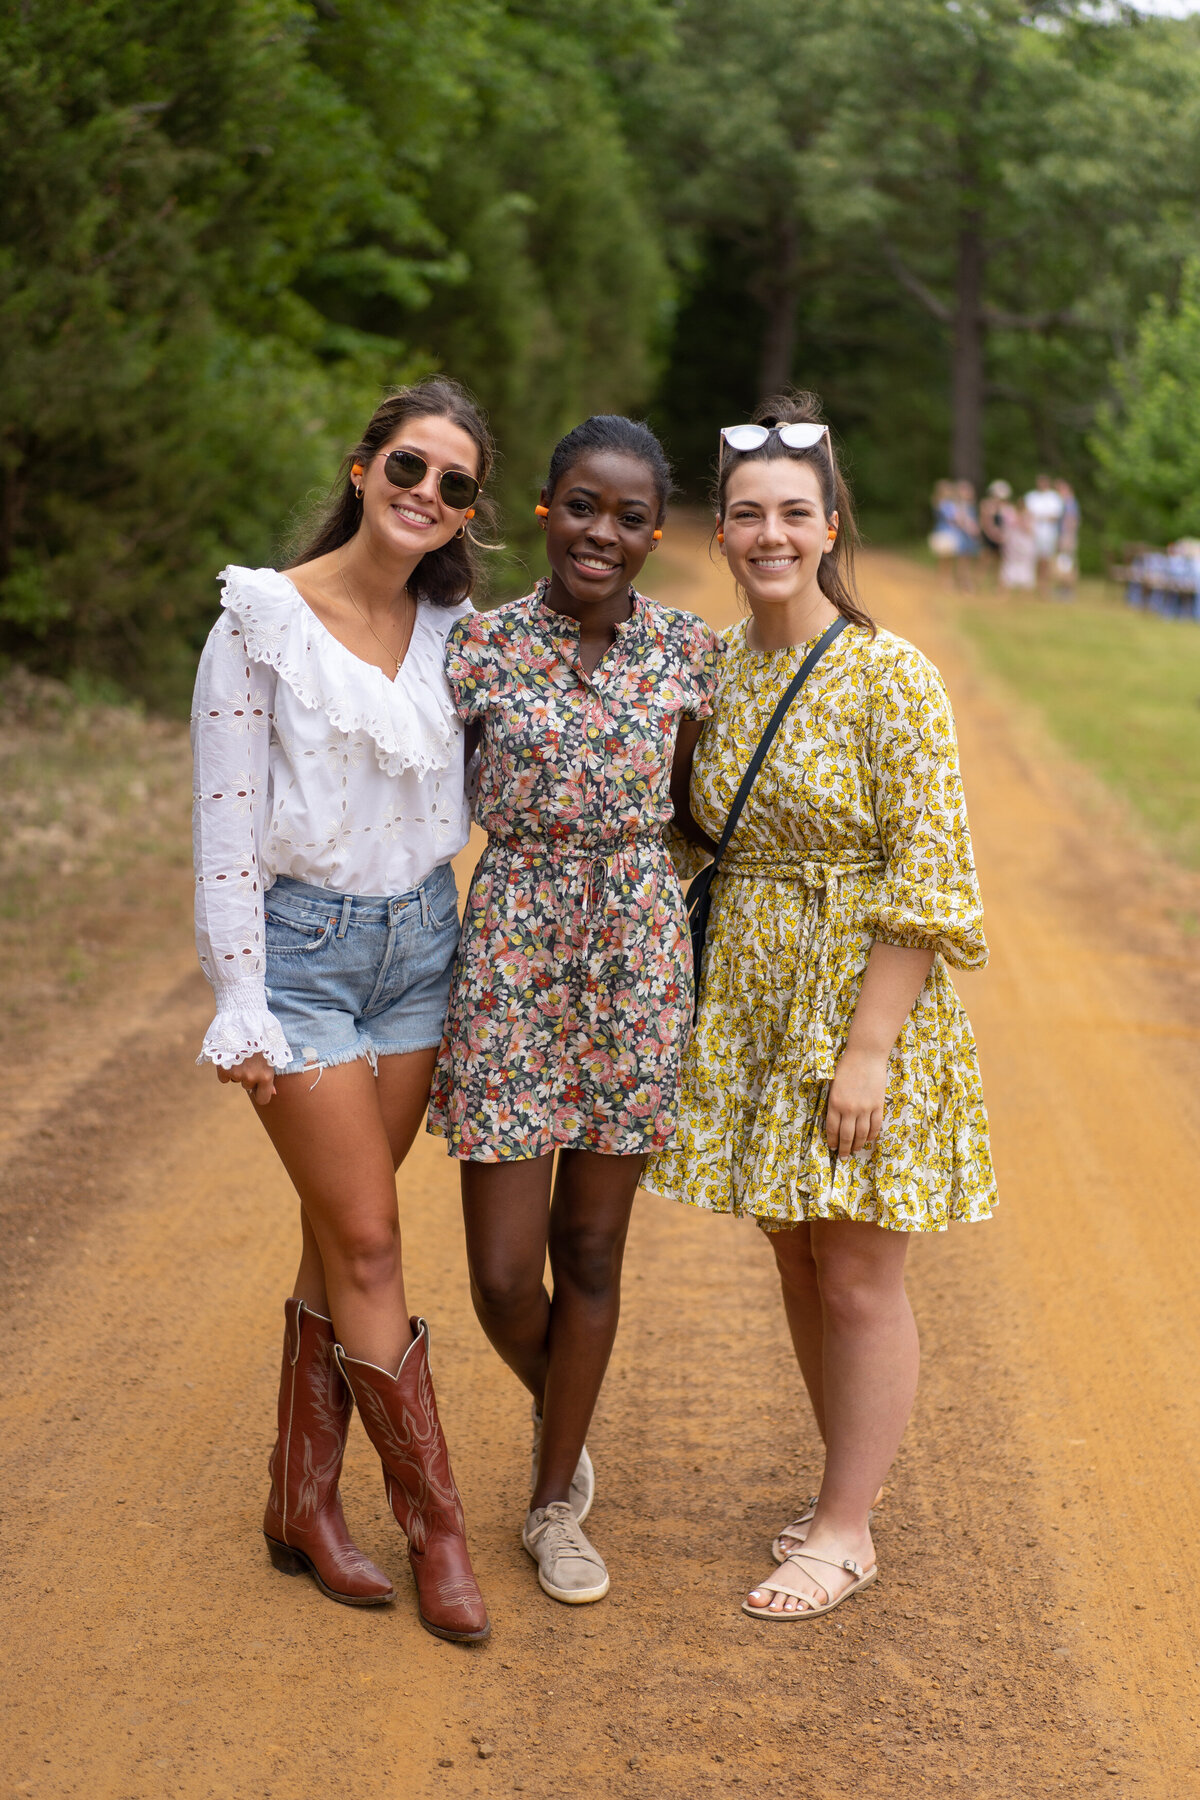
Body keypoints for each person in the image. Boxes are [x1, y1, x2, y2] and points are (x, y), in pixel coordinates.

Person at [646, 392, 996, 1622]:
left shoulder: (890, 675)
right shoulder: (717, 670)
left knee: (855, 1273)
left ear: (832, 524)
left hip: (858, 1004)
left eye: (795, 512)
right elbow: (694, 843)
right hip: (754, 994)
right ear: (722, 535)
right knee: (795, 1253)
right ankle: (838, 1486)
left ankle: (847, 1530)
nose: (770, 534)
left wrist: (868, 1051)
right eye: (748, 515)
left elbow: (931, 872)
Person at [190, 376, 495, 1643]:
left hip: (423, 946)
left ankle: (299, 1500)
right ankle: (439, 1527)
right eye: (409, 468)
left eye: (455, 484)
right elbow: (224, 829)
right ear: (364, 468)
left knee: (338, 1232)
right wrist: (241, 998)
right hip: (307, 959)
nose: (428, 494)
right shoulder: (263, 619)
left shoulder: (455, 630)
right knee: (370, 1238)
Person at [427, 417, 722, 1606]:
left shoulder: (691, 656)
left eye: (631, 515)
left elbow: (702, 809)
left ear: (658, 532)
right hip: (510, 954)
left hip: (638, 963)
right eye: (583, 506)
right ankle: (571, 1405)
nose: (605, 532)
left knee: (590, 1247)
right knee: (502, 1275)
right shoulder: (479, 650)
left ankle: (554, 1505)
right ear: (545, 508)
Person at [1024, 473, 1064, 594]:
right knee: (1031, 559)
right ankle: (1030, 584)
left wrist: (1039, 517)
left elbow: (1055, 516)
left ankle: (1044, 586)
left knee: (1046, 560)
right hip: (1031, 533)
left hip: (1048, 534)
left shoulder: (1054, 497)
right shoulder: (1031, 496)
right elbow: (1027, 515)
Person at [999, 496, 1037, 591]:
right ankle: (1007, 584)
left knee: (1026, 565)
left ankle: (1025, 587)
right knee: (1010, 564)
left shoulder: (1029, 516)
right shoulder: (1012, 515)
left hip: (1025, 544)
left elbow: (1030, 531)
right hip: (1014, 544)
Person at [978, 480, 1011, 579]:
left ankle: (996, 581)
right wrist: (992, 534)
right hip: (988, 536)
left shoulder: (1004, 507)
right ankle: (979, 581)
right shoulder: (986, 504)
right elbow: (985, 522)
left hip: (999, 537)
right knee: (985, 558)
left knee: (998, 561)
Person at [1053, 479, 1080, 599]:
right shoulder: (1069, 503)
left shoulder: (1069, 503)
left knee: (1067, 564)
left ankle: (1067, 591)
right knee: (1064, 564)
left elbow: (1071, 521)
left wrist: (1065, 537)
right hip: (1066, 536)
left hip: (1067, 537)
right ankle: (1064, 589)